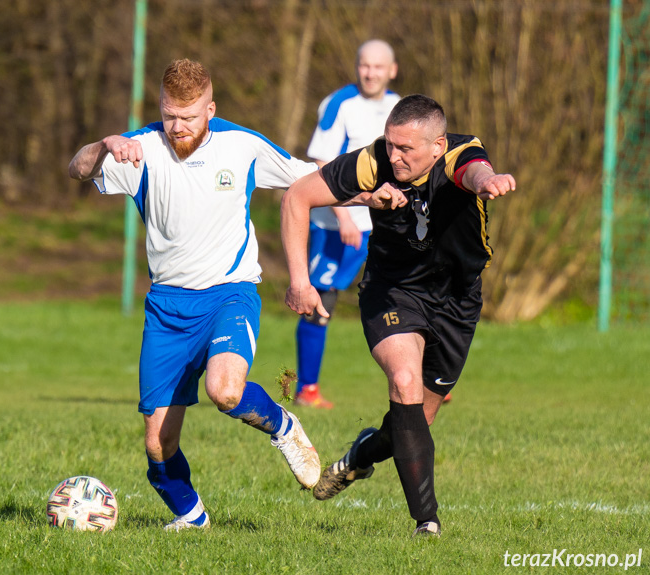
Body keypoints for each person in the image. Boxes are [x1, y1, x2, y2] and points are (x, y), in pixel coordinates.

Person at [68, 59, 321, 531]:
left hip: (230, 294)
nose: (177, 127)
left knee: (225, 390)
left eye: (188, 116)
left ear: (211, 108)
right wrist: (103, 146)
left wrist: (369, 192)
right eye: (169, 115)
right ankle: (192, 518)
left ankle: (283, 427)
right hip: (167, 308)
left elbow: (311, 177)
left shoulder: (242, 146)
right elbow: (77, 170)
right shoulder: (139, 149)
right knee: (157, 445)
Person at [281, 94, 515, 537]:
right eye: (390, 144)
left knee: (414, 422)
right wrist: (300, 280)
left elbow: (475, 170)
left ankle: (361, 455)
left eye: (406, 149)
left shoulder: (460, 157)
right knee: (404, 383)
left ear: (437, 145)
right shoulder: (374, 161)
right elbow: (297, 197)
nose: (394, 156)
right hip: (393, 290)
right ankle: (426, 523)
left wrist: (488, 181)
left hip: (457, 299)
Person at [294, 39, 399, 409]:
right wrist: (343, 216)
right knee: (321, 301)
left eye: (377, 66)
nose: (370, 72)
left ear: (392, 70)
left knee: (405, 293)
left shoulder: (398, 107)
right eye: (364, 65)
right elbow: (322, 164)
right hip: (335, 224)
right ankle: (307, 389)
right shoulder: (339, 104)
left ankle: (425, 375)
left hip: (380, 221)